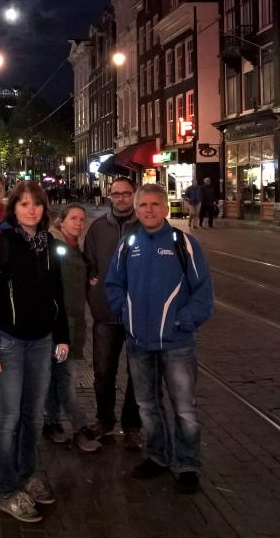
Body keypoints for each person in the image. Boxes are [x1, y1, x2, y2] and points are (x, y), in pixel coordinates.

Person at [106, 183, 214, 495]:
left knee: (184, 408)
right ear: (136, 210)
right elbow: (114, 284)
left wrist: (183, 321)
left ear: (166, 208)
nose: (149, 210)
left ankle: (189, 464)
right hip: (139, 342)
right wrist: (125, 312)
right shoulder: (128, 244)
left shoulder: (184, 244)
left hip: (177, 343)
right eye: (143, 205)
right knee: (147, 405)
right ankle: (157, 456)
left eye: (155, 204)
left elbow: (203, 292)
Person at [0, 181, 69, 524]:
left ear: (44, 209)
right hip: (9, 343)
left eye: (37, 204)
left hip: (41, 341)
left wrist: (62, 336)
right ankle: (7, 488)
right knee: (8, 419)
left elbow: (58, 293)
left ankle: (27, 474)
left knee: (32, 416)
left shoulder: (49, 245)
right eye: (24, 204)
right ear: (13, 208)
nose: (31, 210)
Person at [83, 176, 142, 449]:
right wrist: (94, 290)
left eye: (126, 194)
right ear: (110, 196)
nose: (120, 198)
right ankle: (104, 419)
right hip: (106, 312)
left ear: (134, 195)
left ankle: (132, 425)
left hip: (138, 314)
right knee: (103, 371)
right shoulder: (97, 228)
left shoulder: (145, 226)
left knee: (137, 373)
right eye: (116, 194)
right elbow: (89, 263)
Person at [44, 203, 101, 453]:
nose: (78, 223)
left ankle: (51, 422)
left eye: (81, 219)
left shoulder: (76, 250)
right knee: (65, 377)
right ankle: (80, 426)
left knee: (56, 375)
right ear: (61, 221)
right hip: (59, 327)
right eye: (73, 218)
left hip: (73, 324)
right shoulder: (55, 247)